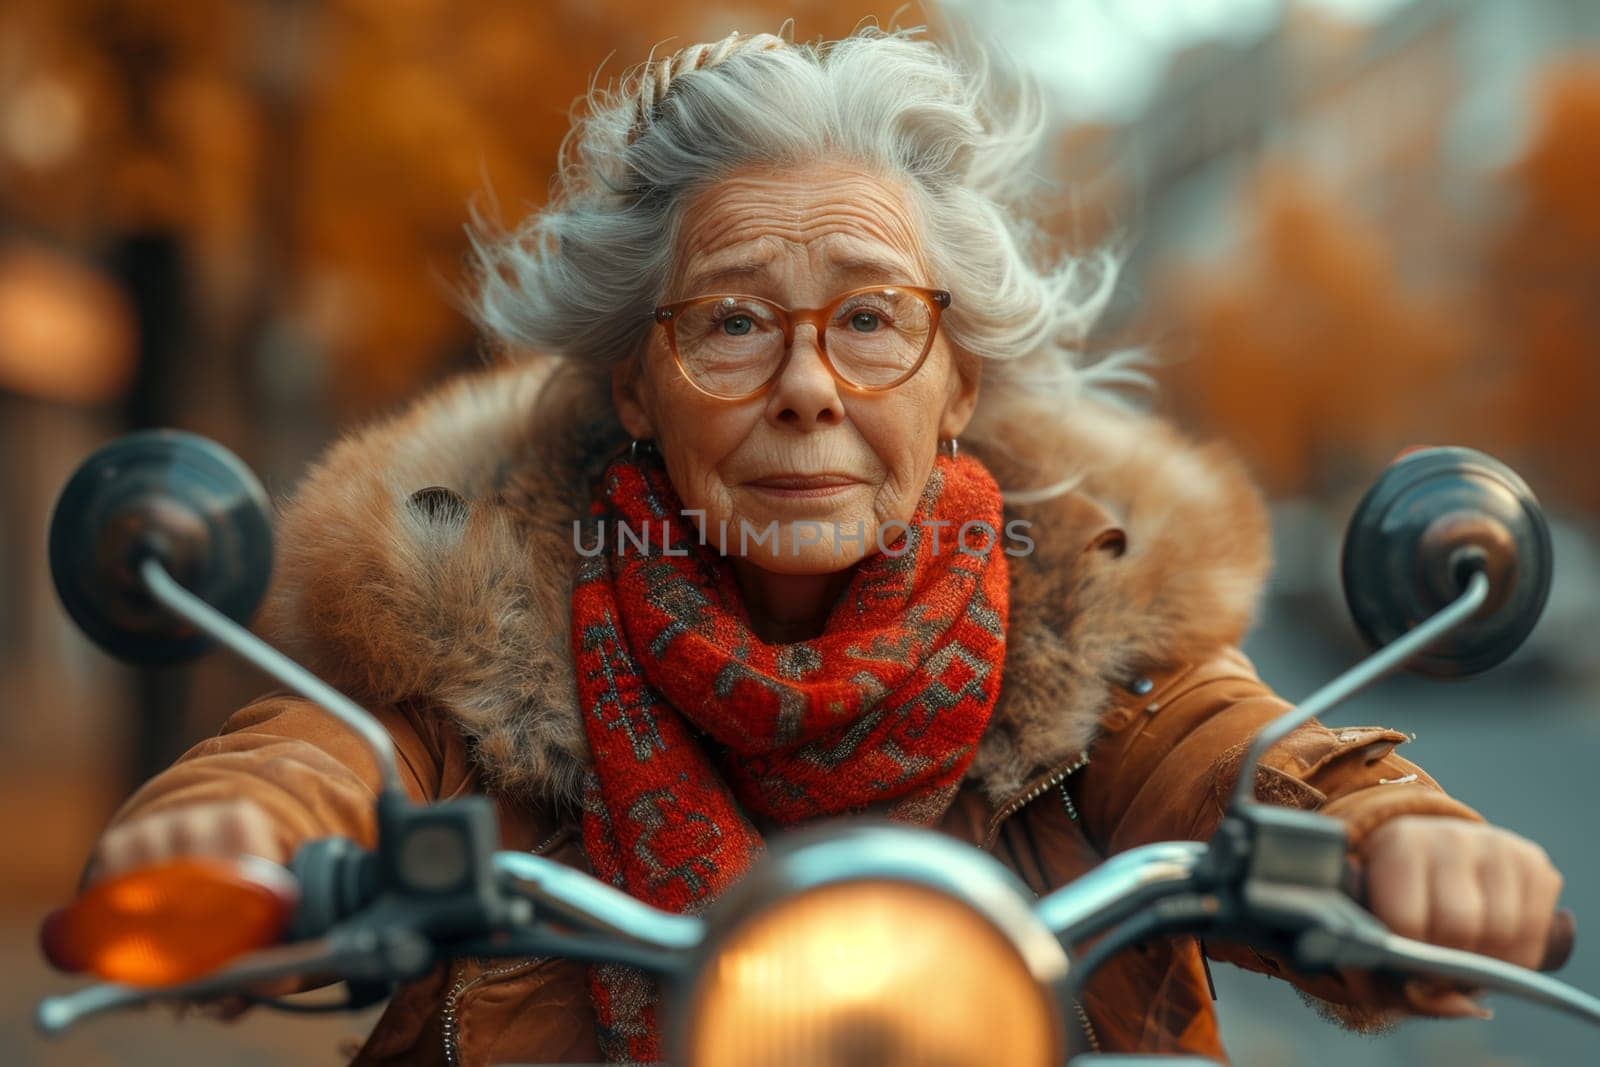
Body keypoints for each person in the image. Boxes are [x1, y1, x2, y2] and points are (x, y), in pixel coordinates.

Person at [82, 25, 1563, 1065]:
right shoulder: (481, 630)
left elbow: (1231, 753)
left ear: (957, 382)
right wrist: (242, 831)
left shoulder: (1096, 635)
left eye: (870, 319)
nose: (806, 383)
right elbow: (333, 758)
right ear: (638, 391)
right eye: (731, 321)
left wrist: (1404, 843)